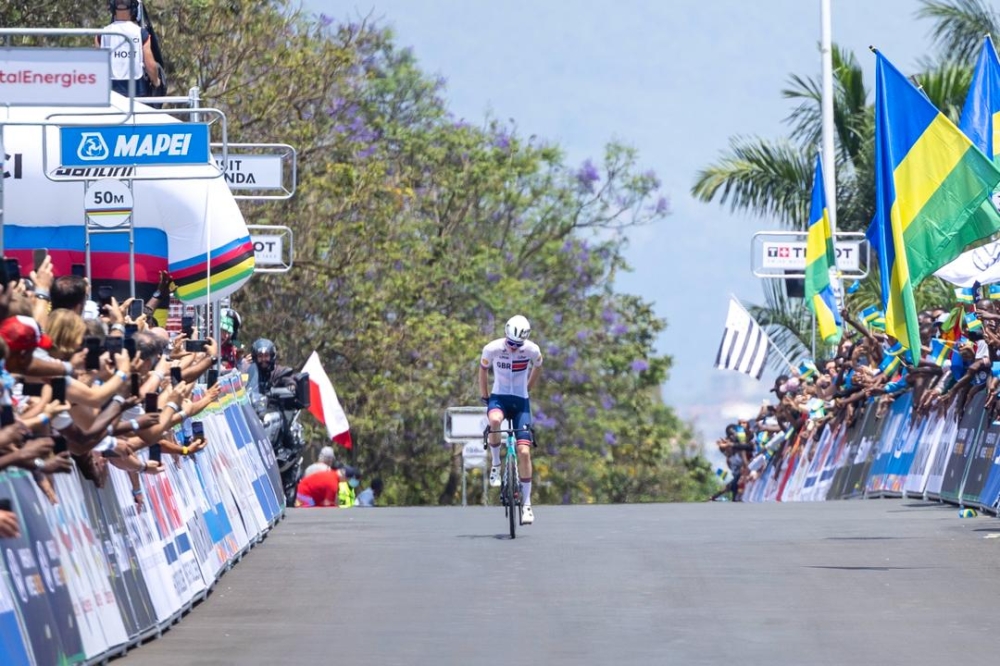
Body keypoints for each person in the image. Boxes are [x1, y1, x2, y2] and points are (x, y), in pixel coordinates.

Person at [478, 315, 543, 525]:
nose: (514, 348)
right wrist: (485, 396)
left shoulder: (532, 350)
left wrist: (529, 388)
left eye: (518, 345)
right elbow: (483, 371)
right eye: (511, 343)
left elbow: (538, 366)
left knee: (524, 452)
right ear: (505, 335)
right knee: (495, 421)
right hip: (499, 398)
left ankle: (526, 504)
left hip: (521, 402)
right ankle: (496, 464)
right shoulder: (492, 348)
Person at [98, 0, 161, 98]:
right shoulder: (141, 33)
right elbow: (150, 65)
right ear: (134, 9)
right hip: (137, 92)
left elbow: (98, 66)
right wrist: (156, 81)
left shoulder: (102, 34)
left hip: (111, 94)